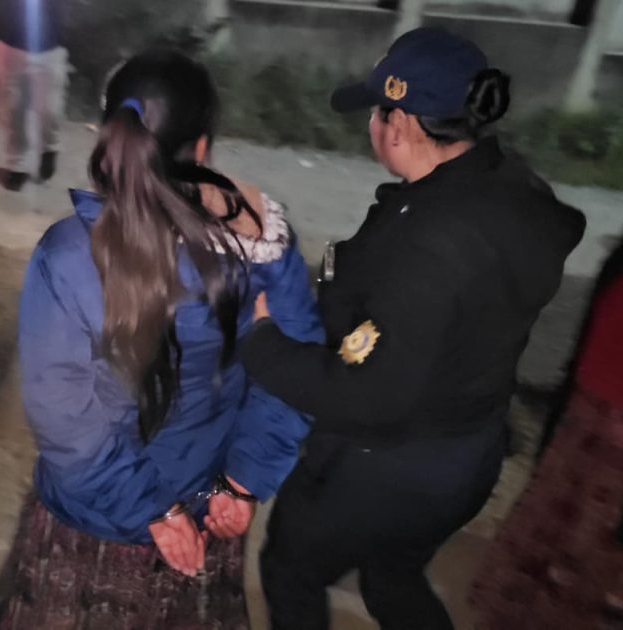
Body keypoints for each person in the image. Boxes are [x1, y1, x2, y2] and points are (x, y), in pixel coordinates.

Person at [239, 27, 586, 630]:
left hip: (386, 467)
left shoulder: (433, 241)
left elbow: (369, 395)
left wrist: (260, 343)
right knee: (392, 575)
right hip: (468, 452)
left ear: (399, 123)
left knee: (291, 570)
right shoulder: (505, 187)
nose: (373, 126)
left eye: (377, 113)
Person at [0, 50, 323, 629]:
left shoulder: (68, 255)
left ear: (110, 134)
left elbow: (63, 417)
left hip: (95, 513)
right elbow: (293, 371)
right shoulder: (261, 244)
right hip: (209, 500)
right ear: (202, 148)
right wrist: (244, 480)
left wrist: (153, 511)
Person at [471, 233, 623, 629]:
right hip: (579, 435)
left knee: (583, 585)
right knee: (531, 571)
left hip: (610, 468)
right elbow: (584, 355)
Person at [0, 0, 68, 191]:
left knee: (49, 109)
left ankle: (49, 148)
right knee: (14, 109)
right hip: (12, 45)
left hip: (50, 48)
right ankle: (17, 164)